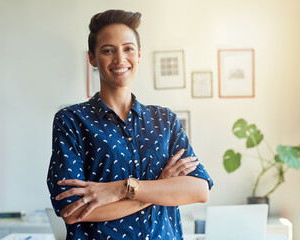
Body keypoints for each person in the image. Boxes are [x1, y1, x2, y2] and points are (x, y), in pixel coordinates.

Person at [47, 9, 213, 240]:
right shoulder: (71, 120)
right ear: (92, 58)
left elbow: (198, 189)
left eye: (128, 49)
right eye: (108, 50)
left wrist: (120, 189)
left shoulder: (165, 120)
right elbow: (72, 211)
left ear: (139, 55)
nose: (120, 59)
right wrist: (159, 188)